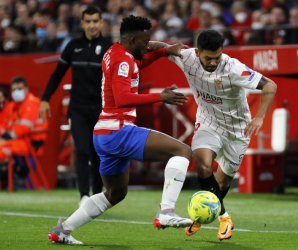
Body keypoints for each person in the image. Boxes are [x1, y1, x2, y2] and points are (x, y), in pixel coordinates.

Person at [47, 15, 193, 245]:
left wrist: (164, 51)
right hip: (119, 131)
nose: (148, 45)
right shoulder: (123, 61)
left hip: (104, 135)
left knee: (115, 194)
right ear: (133, 40)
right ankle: (166, 211)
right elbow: (123, 98)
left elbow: (141, 61)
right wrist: (160, 96)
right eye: (145, 41)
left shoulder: (116, 52)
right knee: (182, 151)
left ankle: (62, 229)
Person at [167, 30, 277, 240]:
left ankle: (204, 214)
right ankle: (224, 217)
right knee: (203, 165)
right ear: (197, 52)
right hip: (208, 123)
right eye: (208, 58)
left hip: (238, 130)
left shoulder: (233, 68)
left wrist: (260, 117)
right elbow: (152, 46)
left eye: (217, 57)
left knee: (223, 182)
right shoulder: (186, 57)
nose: (213, 62)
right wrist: (163, 48)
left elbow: (270, 85)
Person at [39, 6, 113, 206]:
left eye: (95, 21)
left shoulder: (109, 48)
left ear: (101, 23)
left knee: (99, 152)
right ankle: (83, 196)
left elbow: (117, 80)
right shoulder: (73, 46)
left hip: (100, 109)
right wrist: (45, 98)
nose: (92, 25)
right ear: (82, 23)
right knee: (81, 150)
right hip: (78, 109)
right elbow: (57, 75)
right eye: (88, 21)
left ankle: (97, 194)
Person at [0, 76, 48, 164]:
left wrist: (7, 137)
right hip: (22, 141)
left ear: (26, 89)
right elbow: (8, 125)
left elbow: (24, 127)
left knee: (2, 148)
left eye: (19, 89)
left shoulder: (32, 103)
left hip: (31, 144)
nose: (16, 92)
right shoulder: (17, 106)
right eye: (14, 90)